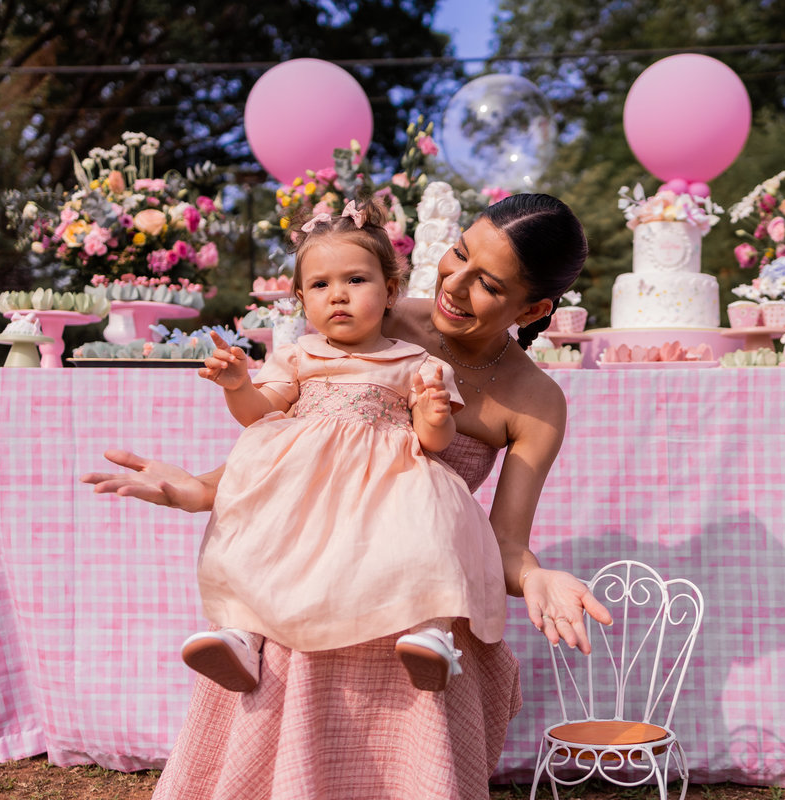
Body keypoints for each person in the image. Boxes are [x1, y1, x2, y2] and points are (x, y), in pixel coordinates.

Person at [83, 192, 612, 799]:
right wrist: (196, 489)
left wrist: (539, 578)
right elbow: (307, 449)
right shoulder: (374, 308)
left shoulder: (536, 401)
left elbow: (506, 544)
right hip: (306, 574)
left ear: (535, 307)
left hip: (412, 602)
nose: (455, 285)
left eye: (488, 284)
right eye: (458, 254)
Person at [180, 197, 505, 695]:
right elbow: (259, 413)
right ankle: (241, 634)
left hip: (389, 482)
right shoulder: (297, 355)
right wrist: (237, 386)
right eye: (320, 285)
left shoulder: (417, 362)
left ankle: (431, 634)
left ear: (390, 289)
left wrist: (435, 413)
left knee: (428, 535)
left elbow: (432, 442)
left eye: (356, 280)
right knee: (257, 535)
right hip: (303, 482)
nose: (338, 296)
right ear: (301, 300)